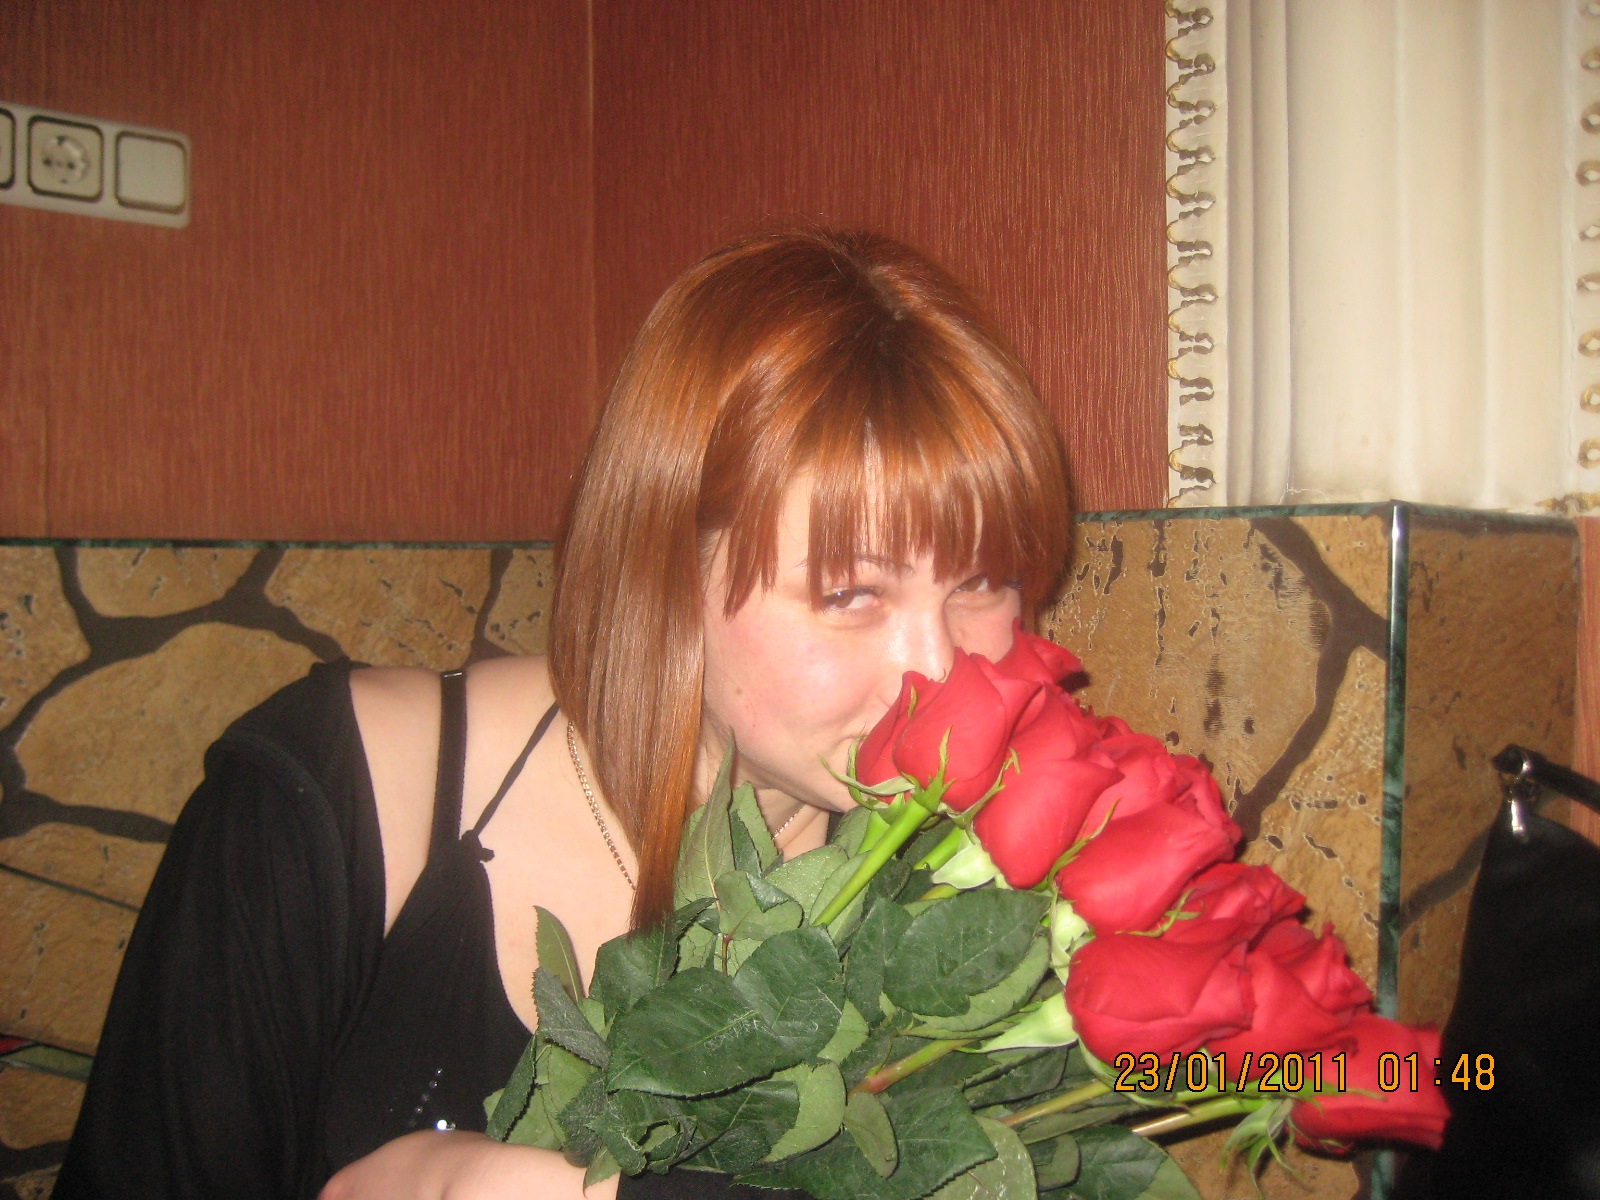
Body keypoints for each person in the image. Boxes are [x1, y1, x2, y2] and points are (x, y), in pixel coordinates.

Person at [53, 226, 1072, 1199]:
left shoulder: (991, 866)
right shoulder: (329, 798)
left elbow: (1102, 1120)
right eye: (851, 592)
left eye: (981, 581)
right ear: (662, 564)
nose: (939, 670)